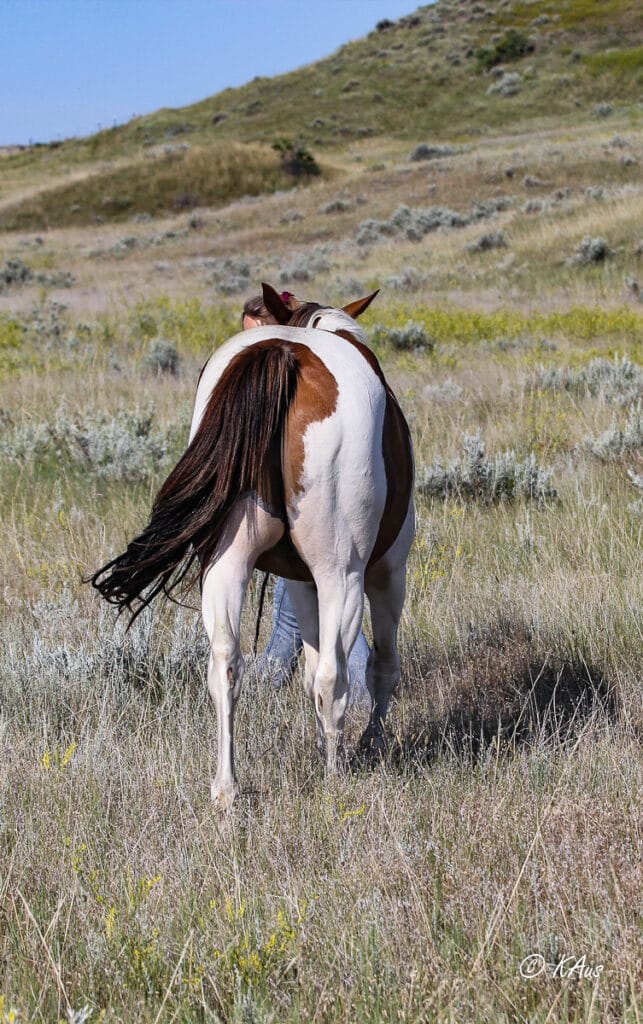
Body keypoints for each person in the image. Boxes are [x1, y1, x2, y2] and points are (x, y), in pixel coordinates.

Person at [240, 292, 371, 702]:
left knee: (307, 614)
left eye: (254, 334)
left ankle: (353, 689)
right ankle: (276, 683)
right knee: (315, 609)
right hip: (304, 506)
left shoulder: (292, 375)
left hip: (299, 509)